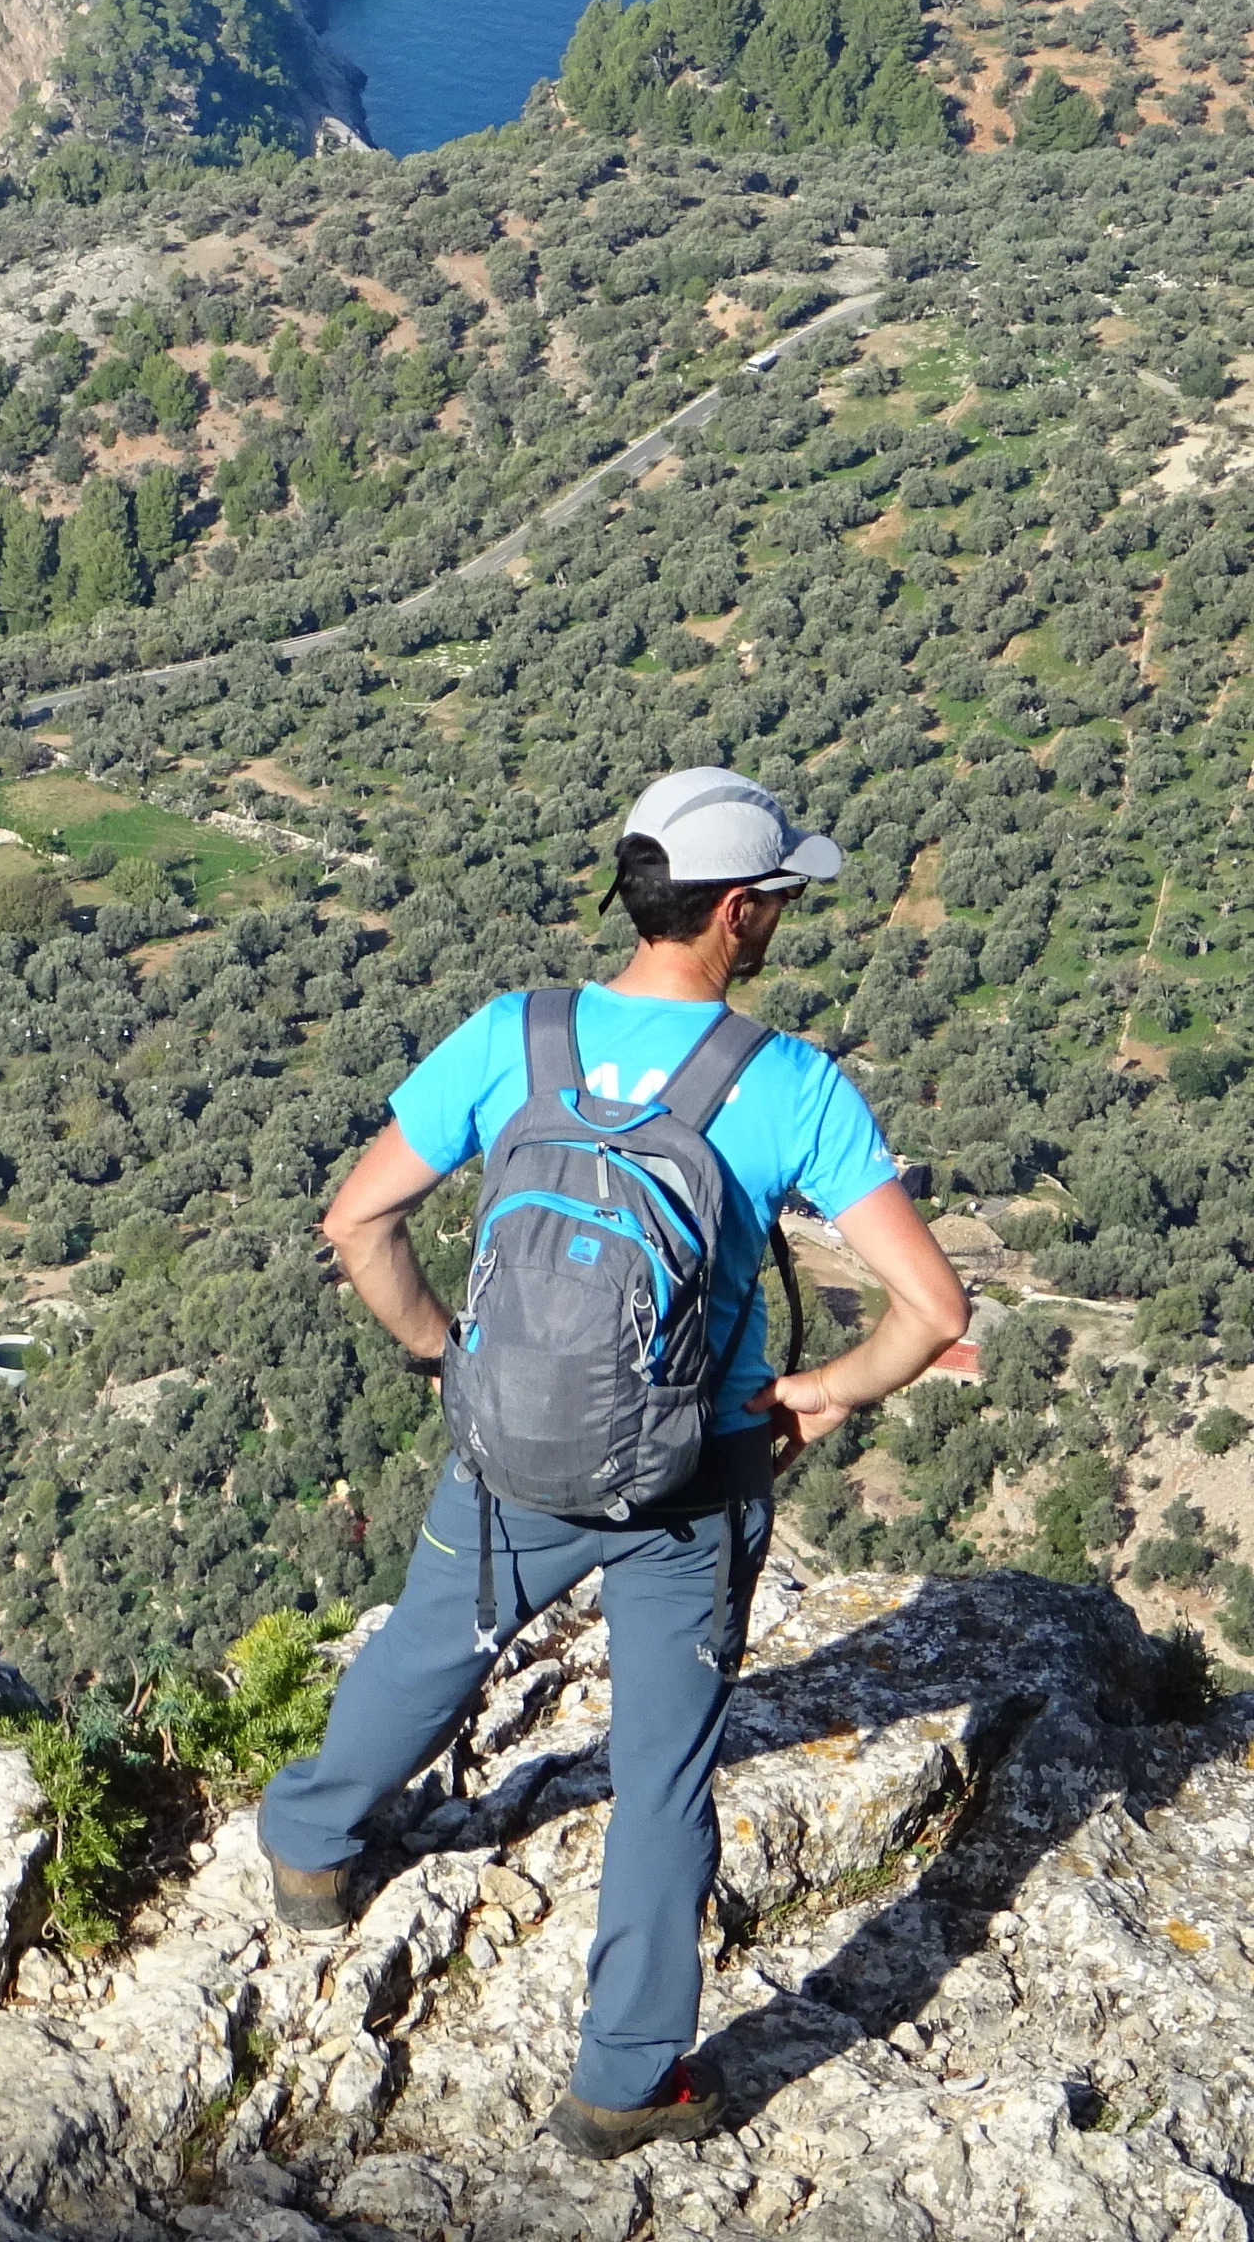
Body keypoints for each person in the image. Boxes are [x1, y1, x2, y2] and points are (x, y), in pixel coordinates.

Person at [257, 767, 972, 2160]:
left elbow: (359, 1220)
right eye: (777, 898)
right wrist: (813, 1394)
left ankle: (311, 1846)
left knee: (428, 1648)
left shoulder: (517, 1034)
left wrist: (443, 1357)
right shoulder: (789, 1087)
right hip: (689, 1483)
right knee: (661, 1771)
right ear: (739, 914)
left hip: (506, 1449)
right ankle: (623, 2081)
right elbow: (936, 1312)